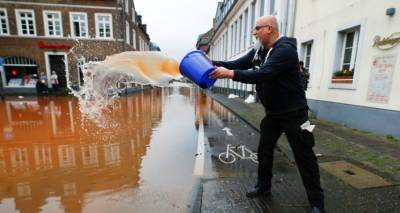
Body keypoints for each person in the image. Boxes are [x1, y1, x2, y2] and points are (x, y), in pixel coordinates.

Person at [210, 16, 325, 213]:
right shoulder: (259, 51)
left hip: (294, 114)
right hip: (273, 115)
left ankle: (317, 203)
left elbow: (264, 74)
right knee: (264, 151)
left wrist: (230, 74)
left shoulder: (285, 51)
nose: (254, 32)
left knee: (304, 156)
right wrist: (210, 62)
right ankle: (264, 186)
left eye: (257, 28)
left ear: (269, 29)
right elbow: (237, 63)